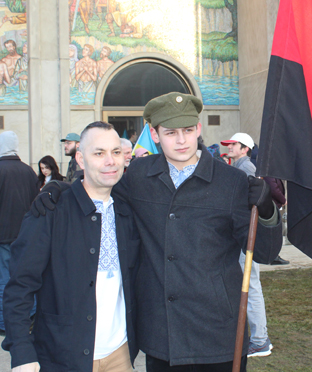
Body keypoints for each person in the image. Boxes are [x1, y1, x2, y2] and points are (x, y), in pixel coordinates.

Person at [30, 92, 282, 371]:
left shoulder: (231, 181)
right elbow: (100, 189)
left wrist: (267, 211)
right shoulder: (139, 175)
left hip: (217, 333)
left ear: (199, 129)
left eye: (188, 130)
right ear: (154, 133)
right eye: (171, 132)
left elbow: (265, 252)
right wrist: (62, 189)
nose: (181, 140)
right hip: (163, 335)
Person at [2, 122, 140, 371]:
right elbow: (20, 286)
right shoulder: (49, 211)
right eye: (99, 153)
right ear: (80, 158)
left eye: (116, 152)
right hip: (63, 356)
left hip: (121, 354)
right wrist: (21, 351)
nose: (110, 161)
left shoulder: (127, 209)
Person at [221, 133, 274, 357]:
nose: (229, 147)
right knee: (249, 286)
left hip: (246, 239)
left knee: (251, 287)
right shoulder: (241, 167)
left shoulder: (245, 170)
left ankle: (260, 341)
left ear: (245, 148)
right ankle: (258, 338)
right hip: (243, 238)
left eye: (233, 144)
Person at [0, 131, 38, 332]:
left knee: (4, 279)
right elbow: (36, 202)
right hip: (25, 233)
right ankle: (31, 314)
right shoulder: (28, 171)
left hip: (3, 235)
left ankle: (5, 322)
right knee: (24, 277)